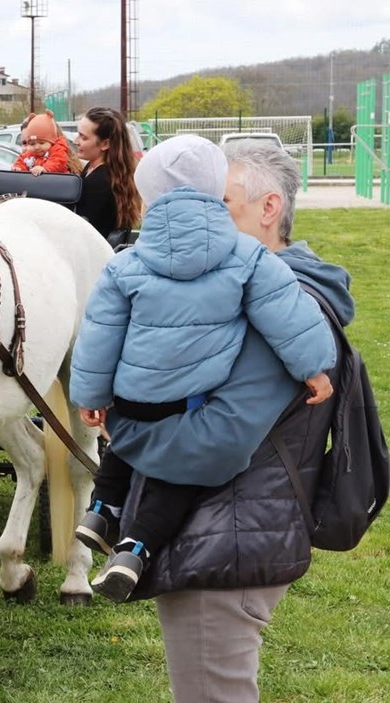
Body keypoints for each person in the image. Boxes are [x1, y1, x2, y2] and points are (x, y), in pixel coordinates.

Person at [107, 140, 355, 702]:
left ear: (269, 208)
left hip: (225, 543)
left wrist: (127, 428)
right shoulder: (235, 297)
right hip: (221, 531)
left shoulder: (286, 309)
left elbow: (214, 440)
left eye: (217, 202)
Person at [69, 135, 336, 603]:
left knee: (126, 442)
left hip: (133, 398)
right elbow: (286, 315)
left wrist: (91, 395)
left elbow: (99, 333)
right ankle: (135, 547)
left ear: (147, 194)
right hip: (187, 401)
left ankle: (101, 509)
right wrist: (314, 367)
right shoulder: (247, 256)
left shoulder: (126, 263)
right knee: (180, 471)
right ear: (216, 189)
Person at [73, 106, 142, 240]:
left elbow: (84, 228)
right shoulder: (106, 171)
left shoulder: (100, 181)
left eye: (83, 138)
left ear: (105, 144)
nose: (76, 141)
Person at [12, 110, 81, 175]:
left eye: (41, 143)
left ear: (53, 141)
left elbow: (57, 161)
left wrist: (45, 169)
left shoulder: (58, 154)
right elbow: (22, 161)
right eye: (26, 143)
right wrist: (18, 168)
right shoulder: (30, 154)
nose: (36, 147)